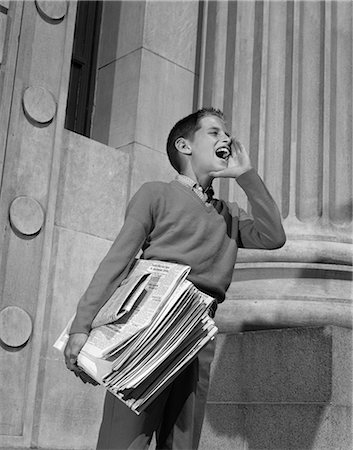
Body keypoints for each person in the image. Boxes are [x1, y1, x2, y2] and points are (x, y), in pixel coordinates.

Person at [64, 107, 286, 450]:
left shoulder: (229, 215)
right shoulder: (156, 194)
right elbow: (118, 261)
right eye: (214, 132)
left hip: (198, 335)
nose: (226, 138)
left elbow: (274, 236)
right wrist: (81, 326)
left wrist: (247, 175)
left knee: (182, 444)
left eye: (226, 133)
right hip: (146, 329)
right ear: (184, 146)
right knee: (125, 440)